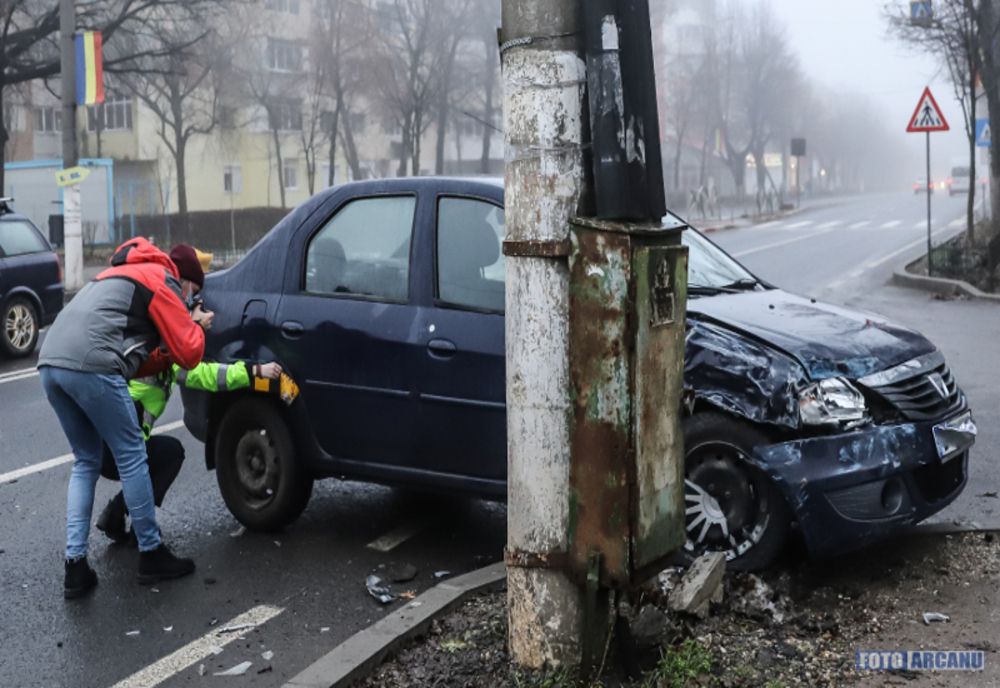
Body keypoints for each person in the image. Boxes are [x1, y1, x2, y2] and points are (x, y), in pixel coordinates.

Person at [38, 239, 213, 598]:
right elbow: (191, 353)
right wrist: (196, 324)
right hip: (92, 362)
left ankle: (75, 568)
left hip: (51, 360)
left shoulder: (115, 274)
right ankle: (151, 553)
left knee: (86, 461)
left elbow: (136, 358)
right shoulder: (162, 278)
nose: (189, 300)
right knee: (132, 454)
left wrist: (164, 354)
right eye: (192, 293)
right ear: (186, 282)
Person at [95, 358, 284, 543]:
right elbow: (210, 375)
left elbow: (209, 373)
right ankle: (141, 528)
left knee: (160, 453)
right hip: (119, 452)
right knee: (171, 455)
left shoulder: (140, 352)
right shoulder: (164, 360)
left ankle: (116, 514)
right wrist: (255, 371)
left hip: (101, 447)